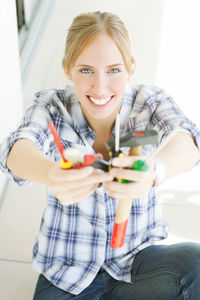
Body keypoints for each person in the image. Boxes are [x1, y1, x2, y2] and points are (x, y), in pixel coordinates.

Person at [1, 11, 200, 300]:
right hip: (67, 275)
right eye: (85, 70)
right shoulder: (52, 107)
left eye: (114, 70)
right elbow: (15, 150)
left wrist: (155, 172)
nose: (101, 87)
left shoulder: (149, 103)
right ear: (68, 70)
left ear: (131, 68)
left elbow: (190, 139)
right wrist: (50, 174)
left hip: (137, 265)